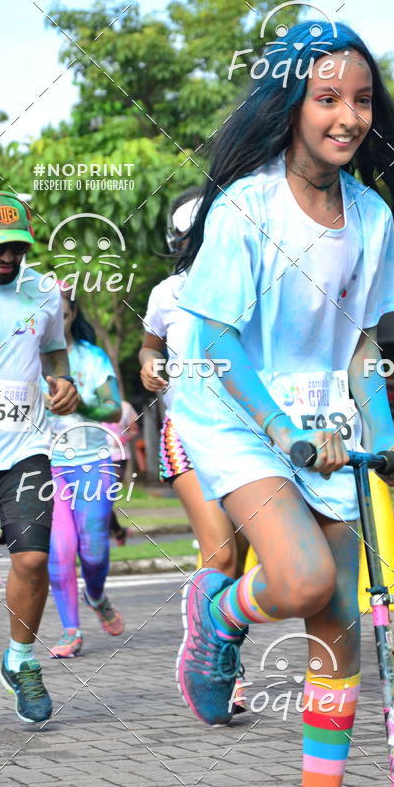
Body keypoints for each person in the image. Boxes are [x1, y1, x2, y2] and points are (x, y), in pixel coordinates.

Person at [171, 22, 394, 787]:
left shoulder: (373, 218)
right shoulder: (246, 208)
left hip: (326, 429)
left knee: (340, 621)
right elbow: (213, 336)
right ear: (291, 106)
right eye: (327, 99)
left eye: (360, 100)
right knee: (303, 578)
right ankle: (216, 610)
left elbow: (360, 349)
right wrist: (280, 426)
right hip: (235, 414)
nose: (348, 117)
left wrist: (387, 441)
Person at [0, 192, 78, 722]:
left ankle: (22, 659)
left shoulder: (43, 292)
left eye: (16, 249)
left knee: (31, 558)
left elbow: (53, 352)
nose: (7, 258)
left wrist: (64, 381)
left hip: (26, 446)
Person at [139, 188, 245, 578]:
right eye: (193, 239)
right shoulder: (167, 294)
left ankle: (218, 636)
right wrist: (150, 366)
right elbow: (149, 347)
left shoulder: (250, 289)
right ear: (179, 242)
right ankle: (201, 637)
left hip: (243, 432)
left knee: (241, 556)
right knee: (221, 556)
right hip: (184, 430)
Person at [47, 290, 124, 658]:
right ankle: (70, 631)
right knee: (60, 548)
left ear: (72, 313)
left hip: (93, 459)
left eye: (61, 315)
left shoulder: (92, 357)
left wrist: (85, 404)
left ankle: (95, 594)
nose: (55, 323)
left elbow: (113, 410)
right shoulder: (25, 358)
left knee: (93, 548)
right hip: (45, 463)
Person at [103, 399, 139, 545]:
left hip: (118, 456)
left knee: (106, 498)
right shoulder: (91, 403)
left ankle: (114, 532)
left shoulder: (125, 406)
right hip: (96, 457)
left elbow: (134, 429)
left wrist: (123, 438)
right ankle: (119, 531)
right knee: (99, 498)